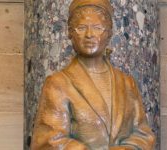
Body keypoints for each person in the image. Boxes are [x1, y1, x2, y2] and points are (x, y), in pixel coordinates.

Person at [31, 0, 155, 149]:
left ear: (109, 33)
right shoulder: (58, 84)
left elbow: (143, 135)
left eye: (97, 27)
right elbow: (48, 141)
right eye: (81, 28)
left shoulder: (127, 83)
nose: (89, 35)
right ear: (70, 33)